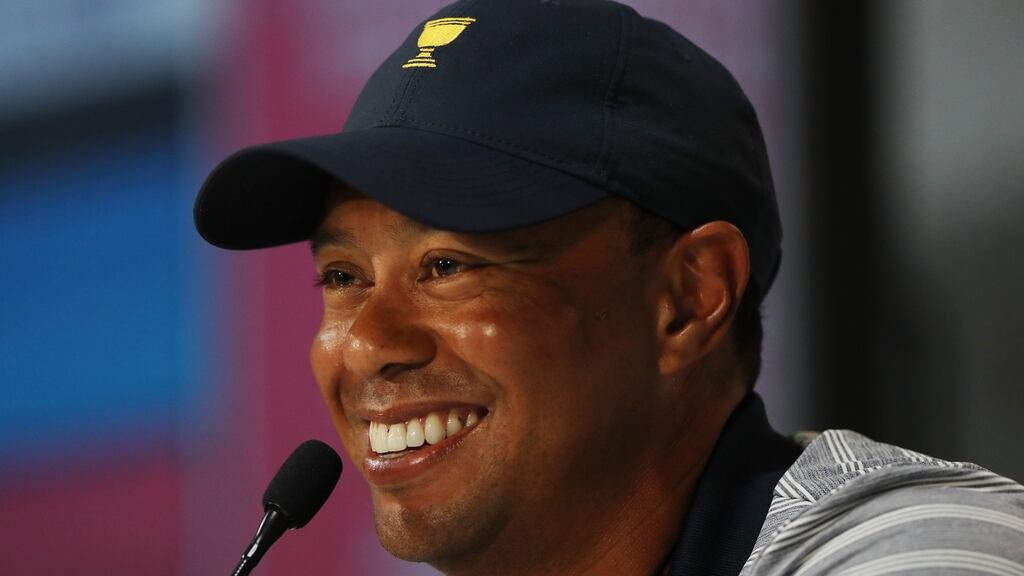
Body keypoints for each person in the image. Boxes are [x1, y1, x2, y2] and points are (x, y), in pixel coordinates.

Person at [194, 1, 1024, 574]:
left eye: (446, 266)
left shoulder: (918, 553)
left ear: (689, 298)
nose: (368, 342)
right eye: (343, 278)